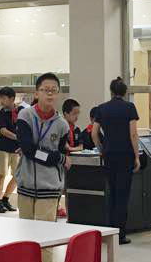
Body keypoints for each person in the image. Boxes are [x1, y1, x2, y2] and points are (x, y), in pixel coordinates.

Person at [17, 73, 69, 262]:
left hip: (49, 186)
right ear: (36, 93)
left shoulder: (62, 125)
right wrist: (55, 157)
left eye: (54, 91)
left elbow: (61, 153)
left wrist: (55, 157)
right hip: (26, 183)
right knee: (27, 236)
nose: (50, 94)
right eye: (45, 90)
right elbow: (28, 150)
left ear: (58, 95)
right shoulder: (25, 116)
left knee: (44, 237)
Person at [91, 78, 139, 246]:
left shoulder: (102, 108)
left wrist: (102, 149)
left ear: (111, 92)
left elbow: (94, 133)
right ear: (125, 92)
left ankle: (109, 232)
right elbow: (133, 134)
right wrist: (136, 156)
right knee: (122, 195)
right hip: (125, 155)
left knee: (111, 193)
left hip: (109, 155)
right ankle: (120, 234)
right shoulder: (129, 108)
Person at [0, 86, 21, 213]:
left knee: (17, 175)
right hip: (3, 147)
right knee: (1, 174)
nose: (1, 101)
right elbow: (3, 131)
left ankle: (6, 198)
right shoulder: (1, 113)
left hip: (16, 149)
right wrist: (18, 137)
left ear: (12, 99)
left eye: (3, 98)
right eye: (0, 98)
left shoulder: (20, 111)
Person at [58, 98, 83, 218]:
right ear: (66, 114)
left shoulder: (77, 130)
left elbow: (81, 147)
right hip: (61, 162)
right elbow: (65, 146)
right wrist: (73, 148)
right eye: (74, 113)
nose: (76, 116)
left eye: (78, 113)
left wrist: (71, 148)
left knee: (70, 189)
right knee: (59, 189)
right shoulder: (61, 128)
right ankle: (55, 209)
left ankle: (70, 215)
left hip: (73, 162)